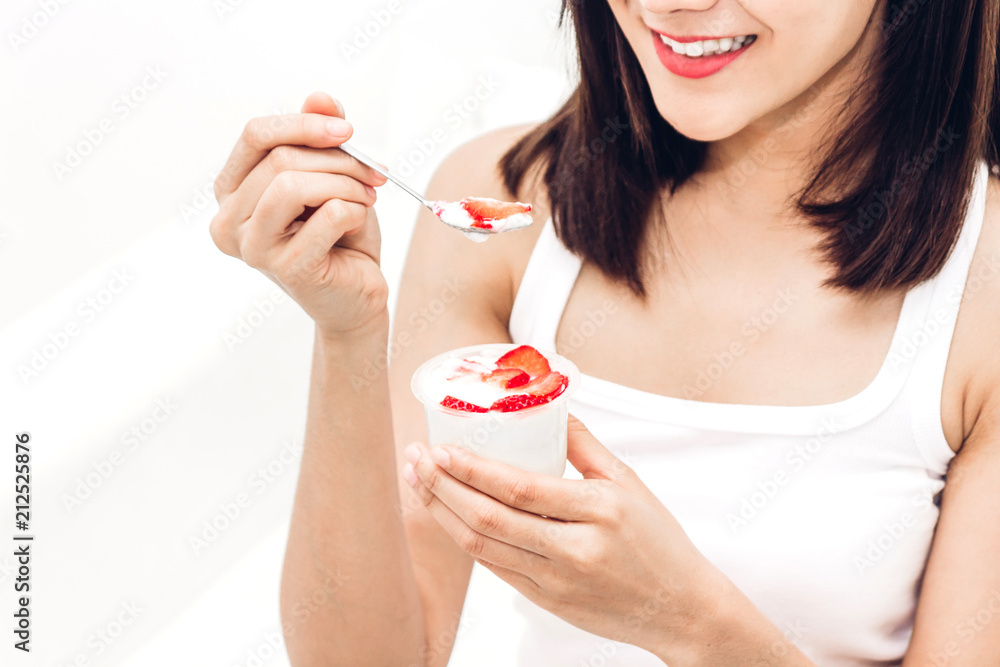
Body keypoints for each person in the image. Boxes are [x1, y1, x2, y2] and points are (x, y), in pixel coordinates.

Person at [209, 0, 1000, 664]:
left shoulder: (983, 288)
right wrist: (347, 334)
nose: (673, 4)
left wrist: (689, 621)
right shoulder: (503, 209)